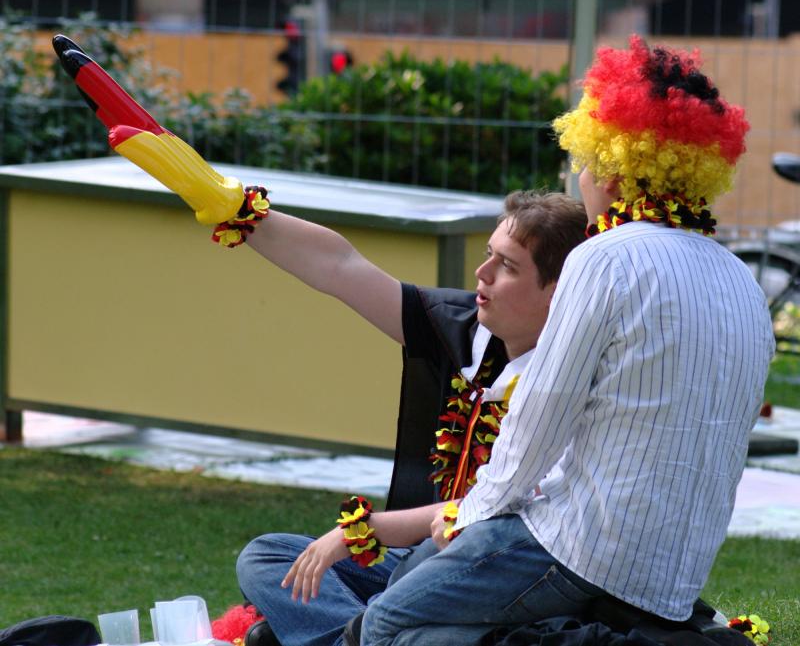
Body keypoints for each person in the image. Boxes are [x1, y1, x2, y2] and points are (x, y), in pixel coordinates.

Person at [346, 35, 775, 646]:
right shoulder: (740, 278)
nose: (579, 174)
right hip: (672, 573)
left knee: (386, 621)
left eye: (584, 155)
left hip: (580, 545)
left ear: (615, 163)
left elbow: (538, 418)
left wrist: (467, 516)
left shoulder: (605, 257)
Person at [235, 190, 588, 646]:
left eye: (508, 266)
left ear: (557, 294)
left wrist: (364, 530)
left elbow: (503, 513)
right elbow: (340, 268)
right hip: (422, 551)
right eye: (488, 255)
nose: (481, 274)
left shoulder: (573, 381)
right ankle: (361, 634)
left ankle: (344, 633)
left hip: (495, 573)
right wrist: (240, 213)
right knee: (269, 556)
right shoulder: (465, 327)